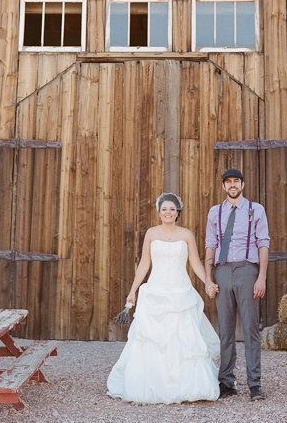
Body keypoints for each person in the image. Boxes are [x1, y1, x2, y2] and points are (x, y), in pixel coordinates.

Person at [107, 192, 220, 404]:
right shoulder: (151, 233)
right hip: (156, 291)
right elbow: (144, 264)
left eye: (172, 209)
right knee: (152, 340)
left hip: (181, 292)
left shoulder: (186, 235)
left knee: (182, 339)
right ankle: (151, 386)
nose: (168, 212)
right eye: (164, 209)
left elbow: (195, 263)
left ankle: (187, 387)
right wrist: (133, 290)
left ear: (178, 212)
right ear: (159, 212)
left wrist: (208, 282)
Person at [205, 169, 270, 402]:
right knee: (226, 330)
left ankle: (255, 384)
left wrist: (261, 277)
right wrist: (208, 278)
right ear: (223, 186)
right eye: (228, 182)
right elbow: (210, 245)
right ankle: (227, 382)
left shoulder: (255, 209)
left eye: (236, 181)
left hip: (246, 270)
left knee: (251, 329)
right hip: (222, 271)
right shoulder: (216, 211)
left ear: (243, 184)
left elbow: (263, 243)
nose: (232, 185)